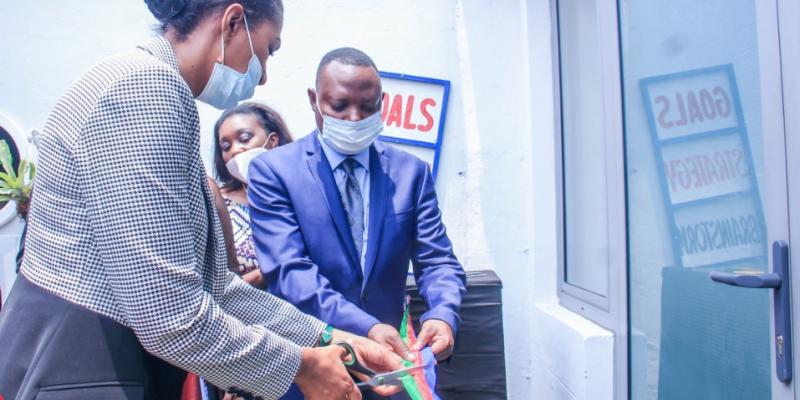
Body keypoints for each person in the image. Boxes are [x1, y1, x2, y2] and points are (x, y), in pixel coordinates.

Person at [0, 2, 401, 399]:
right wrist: (304, 366)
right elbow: (169, 315)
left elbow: (216, 288)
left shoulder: (148, 83)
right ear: (232, 23)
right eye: (268, 49)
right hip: (84, 361)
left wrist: (332, 338)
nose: (263, 77)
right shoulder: (145, 89)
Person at [248, 48, 467, 399]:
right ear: (314, 100)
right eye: (339, 106)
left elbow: (437, 259)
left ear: (382, 102)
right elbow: (291, 273)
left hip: (392, 369)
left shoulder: (411, 173)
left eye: (367, 108)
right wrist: (365, 328)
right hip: (313, 368)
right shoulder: (274, 172)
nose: (353, 118)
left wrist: (442, 313)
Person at [213, 102, 292, 286]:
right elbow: (218, 283)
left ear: (272, 141)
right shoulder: (218, 204)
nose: (234, 150)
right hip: (251, 309)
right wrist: (271, 272)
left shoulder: (300, 192)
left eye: (245, 138)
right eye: (226, 146)